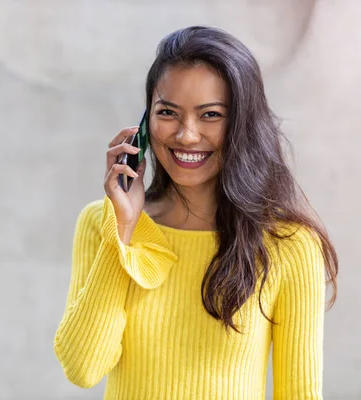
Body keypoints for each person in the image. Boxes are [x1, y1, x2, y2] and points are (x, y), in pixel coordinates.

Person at [53, 26, 338, 400]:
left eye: (211, 115)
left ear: (241, 123)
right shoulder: (101, 224)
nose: (186, 135)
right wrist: (122, 228)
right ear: (143, 125)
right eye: (168, 112)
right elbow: (83, 368)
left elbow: (299, 393)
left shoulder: (290, 244)